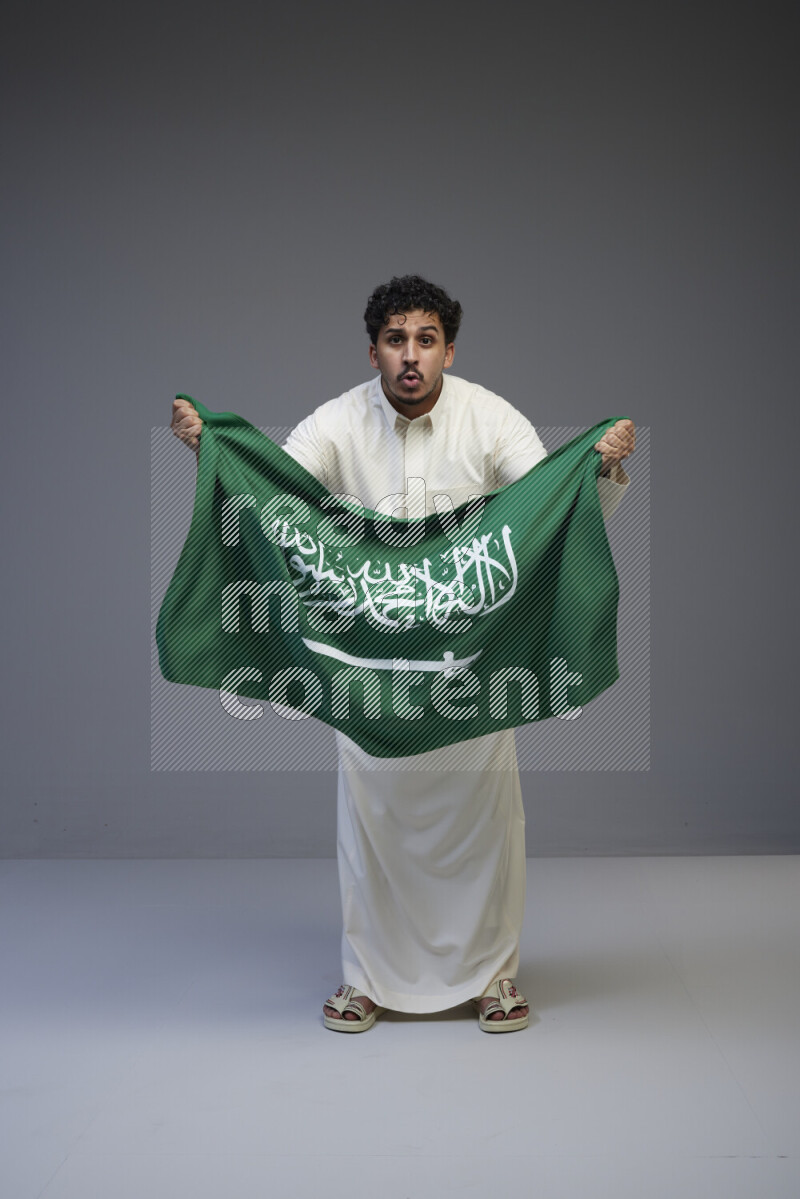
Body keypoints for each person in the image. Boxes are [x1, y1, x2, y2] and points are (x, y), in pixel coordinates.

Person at [170, 275, 635, 1033]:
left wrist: (601, 468)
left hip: (474, 660)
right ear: (374, 350)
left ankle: (494, 978)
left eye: (425, 340)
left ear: (449, 349)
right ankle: (367, 979)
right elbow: (271, 498)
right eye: (395, 340)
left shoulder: (491, 417)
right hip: (367, 665)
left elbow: (549, 510)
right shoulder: (336, 422)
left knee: (485, 821)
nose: (409, 357)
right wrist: (213, 454)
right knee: (371, 820)